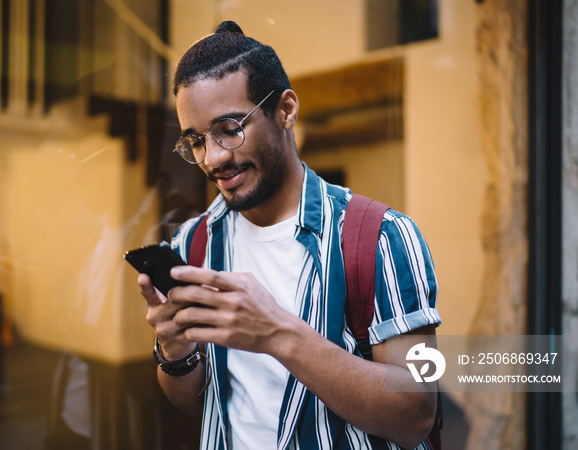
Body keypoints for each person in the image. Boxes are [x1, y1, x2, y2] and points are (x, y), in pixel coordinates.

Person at [137, 20, 441, 450]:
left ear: (285, 110)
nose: (213, 158)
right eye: (196, 140)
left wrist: (277, 333)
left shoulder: (383, 237)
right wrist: (175, 352)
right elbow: (192, 403)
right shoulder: (193, 244)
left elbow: (417, 412)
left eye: (229, 129)